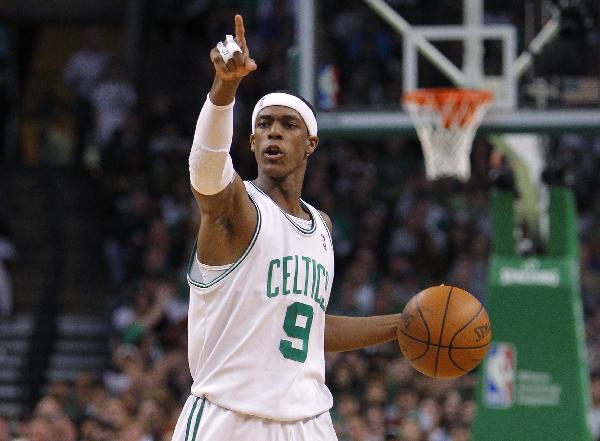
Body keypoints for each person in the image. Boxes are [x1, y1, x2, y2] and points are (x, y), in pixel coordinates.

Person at [171, 15, 403, 441]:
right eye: (264, 124)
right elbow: (205, 172)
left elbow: (309, 327)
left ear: (309, 143)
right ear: (253, 142)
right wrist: (224, 90)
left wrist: (399, 326)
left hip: (309, 421)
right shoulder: (238, 210)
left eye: (288, 124)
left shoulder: (322, 227)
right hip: (231, 419)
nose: (274, 131)